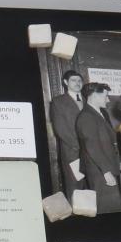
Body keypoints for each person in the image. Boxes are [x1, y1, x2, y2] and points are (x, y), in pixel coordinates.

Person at [75, 82, 121, 213]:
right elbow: (92, 147)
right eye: (105, 96)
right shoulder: (87, 116)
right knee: (108, 207)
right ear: (94, 96)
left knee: (113, 205)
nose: (108, 100)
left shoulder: (100, 113)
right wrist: (106, 172)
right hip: (99, 170)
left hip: (106, 166)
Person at [48, 69, 86, 197]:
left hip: (91, 152)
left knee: (90, 187)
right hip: (72, 151)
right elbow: (60, 129)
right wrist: (79, 146)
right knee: (75, 187)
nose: (77, 83)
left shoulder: (88, 100)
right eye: (73, 80)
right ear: (65, 82)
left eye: (79, 80)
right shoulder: (58, 101)